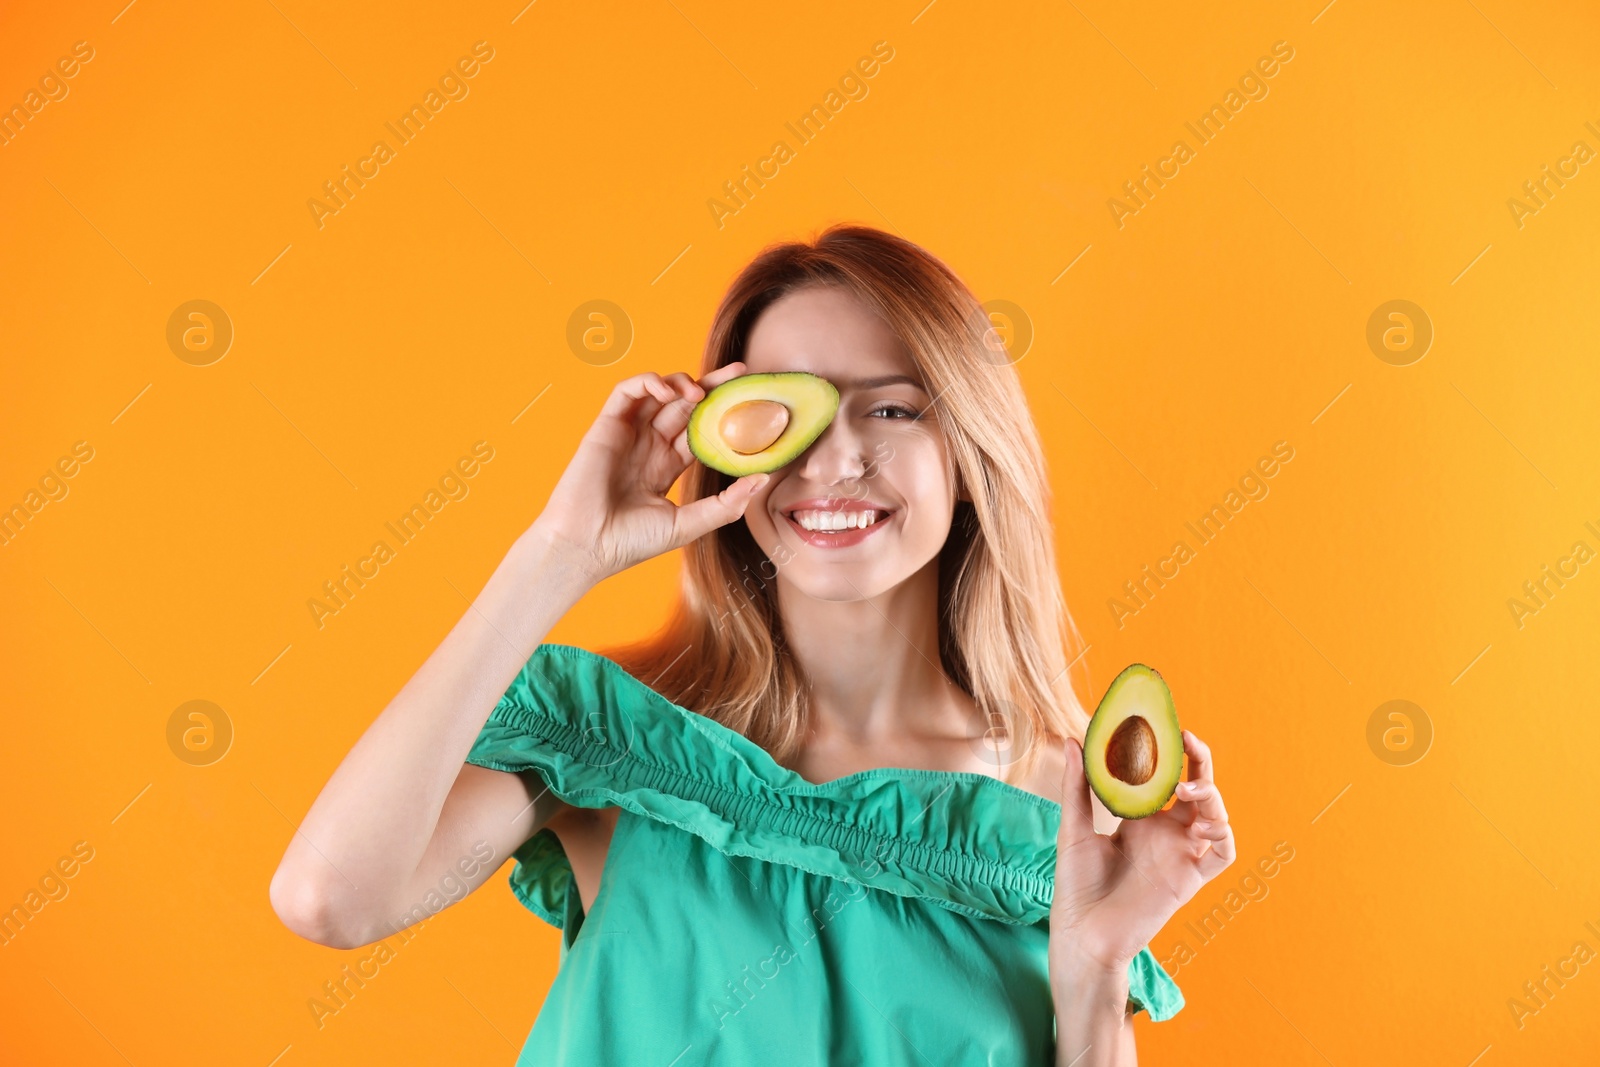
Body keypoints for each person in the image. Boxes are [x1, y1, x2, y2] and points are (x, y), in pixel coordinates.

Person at [268, 224, 1237, 1065]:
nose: (832, 457)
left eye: (892, 406)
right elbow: (328, 899)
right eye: (786, 409)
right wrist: (558, 554)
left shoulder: (1063, 805)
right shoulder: (614, 746)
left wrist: (1100, 971)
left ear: (970, 451)